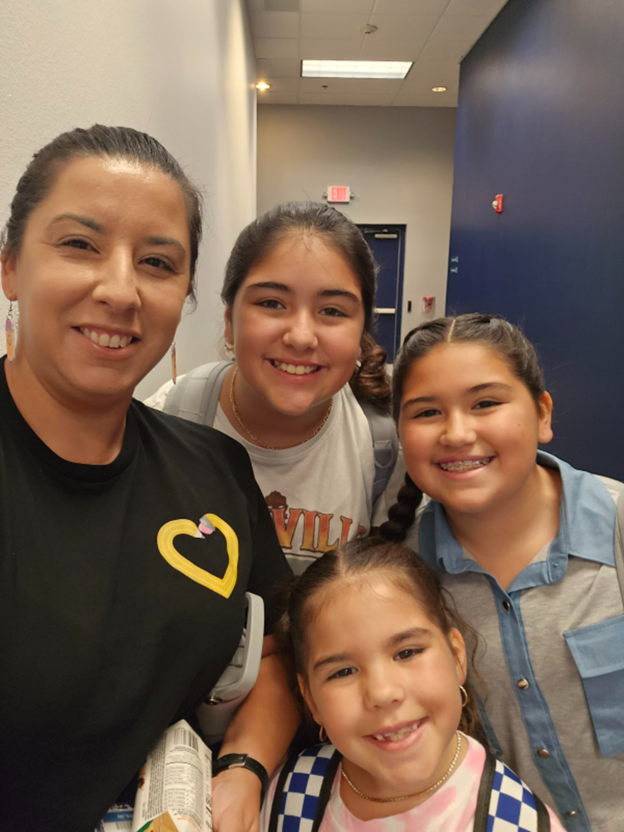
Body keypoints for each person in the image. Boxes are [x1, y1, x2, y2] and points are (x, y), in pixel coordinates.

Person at [0, 124, 297, 832]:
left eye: (158, 263)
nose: (120, 289)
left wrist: (245, 767)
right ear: (9, 266)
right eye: (80, 245)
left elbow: (278, 653)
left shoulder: (214, 470)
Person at [380, 313, 624, 832]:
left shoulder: (617, 526)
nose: (457, 433)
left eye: (485, 403)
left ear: (542, 413)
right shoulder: (400, 578)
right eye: (427, 412)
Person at [146, 202, 402, 574]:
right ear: (229, 322)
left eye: (332, 311)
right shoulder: (166, 418)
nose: (301, 337)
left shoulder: (383, 446)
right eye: (271, 303)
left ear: (361, 333)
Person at [259, 538, 564, 831]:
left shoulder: (517, 822)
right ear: (311, 699)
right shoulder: (292, 791)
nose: (382, 693)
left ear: (456, 657)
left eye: (407, 653)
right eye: (343, 672)